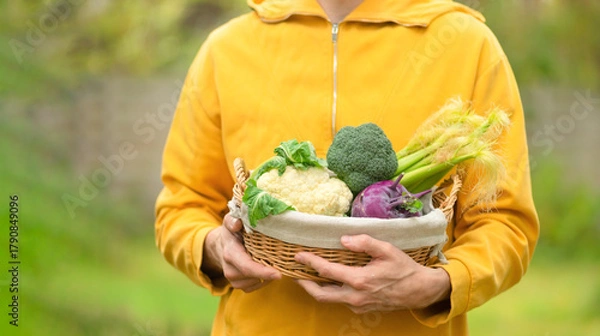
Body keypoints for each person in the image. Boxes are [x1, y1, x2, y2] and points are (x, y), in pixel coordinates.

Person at [154, 0, 540, 335]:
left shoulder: (467, 46)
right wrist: (214, 248)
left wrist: (438, 283)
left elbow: (505, 221)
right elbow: (182, 206)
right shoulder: (227, 50)